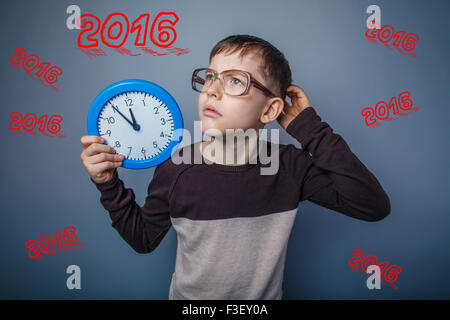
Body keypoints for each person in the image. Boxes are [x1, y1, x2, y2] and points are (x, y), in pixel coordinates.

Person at [80, 34, 390, 300]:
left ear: (270, 109)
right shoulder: (177, 169)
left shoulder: (290, 167)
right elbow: (143, 239)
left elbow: (372, 205)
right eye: (211, 76)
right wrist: (108, 184)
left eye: (235, 81)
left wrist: (309, 128)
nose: (212, 90)